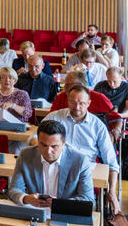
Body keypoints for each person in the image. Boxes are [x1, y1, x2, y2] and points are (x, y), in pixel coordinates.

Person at [9, 119, 94, 226]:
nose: (48, 151)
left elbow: (87, 200)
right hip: (34, 216)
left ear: (64, 143)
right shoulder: (26, 155)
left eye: (54, 146)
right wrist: (26, 198)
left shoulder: (80, 161)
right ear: (38, 140)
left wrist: (60, 204)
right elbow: (14, 189)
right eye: (43, 145)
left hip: (65, 217)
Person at [42, 85, 120, 213]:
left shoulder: (97, 126)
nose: (77, 108)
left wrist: (112, 192)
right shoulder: (54, 117)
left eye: (82, 103)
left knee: (79, 210)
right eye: (73, 102)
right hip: (55, 167)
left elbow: (112, 164)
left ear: (89, 103)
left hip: (84, 171)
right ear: (67, 100)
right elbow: (35, 139)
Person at [95, 66, 128, 137]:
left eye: (114, 81)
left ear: (121, 78)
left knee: (116, 130)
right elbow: (94, 104)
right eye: (109, 81)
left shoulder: (126, 88)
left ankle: (111, 145)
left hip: (118, 116)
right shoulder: (100, 85)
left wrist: (119, 115)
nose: (112, 84)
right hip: (101, 115)